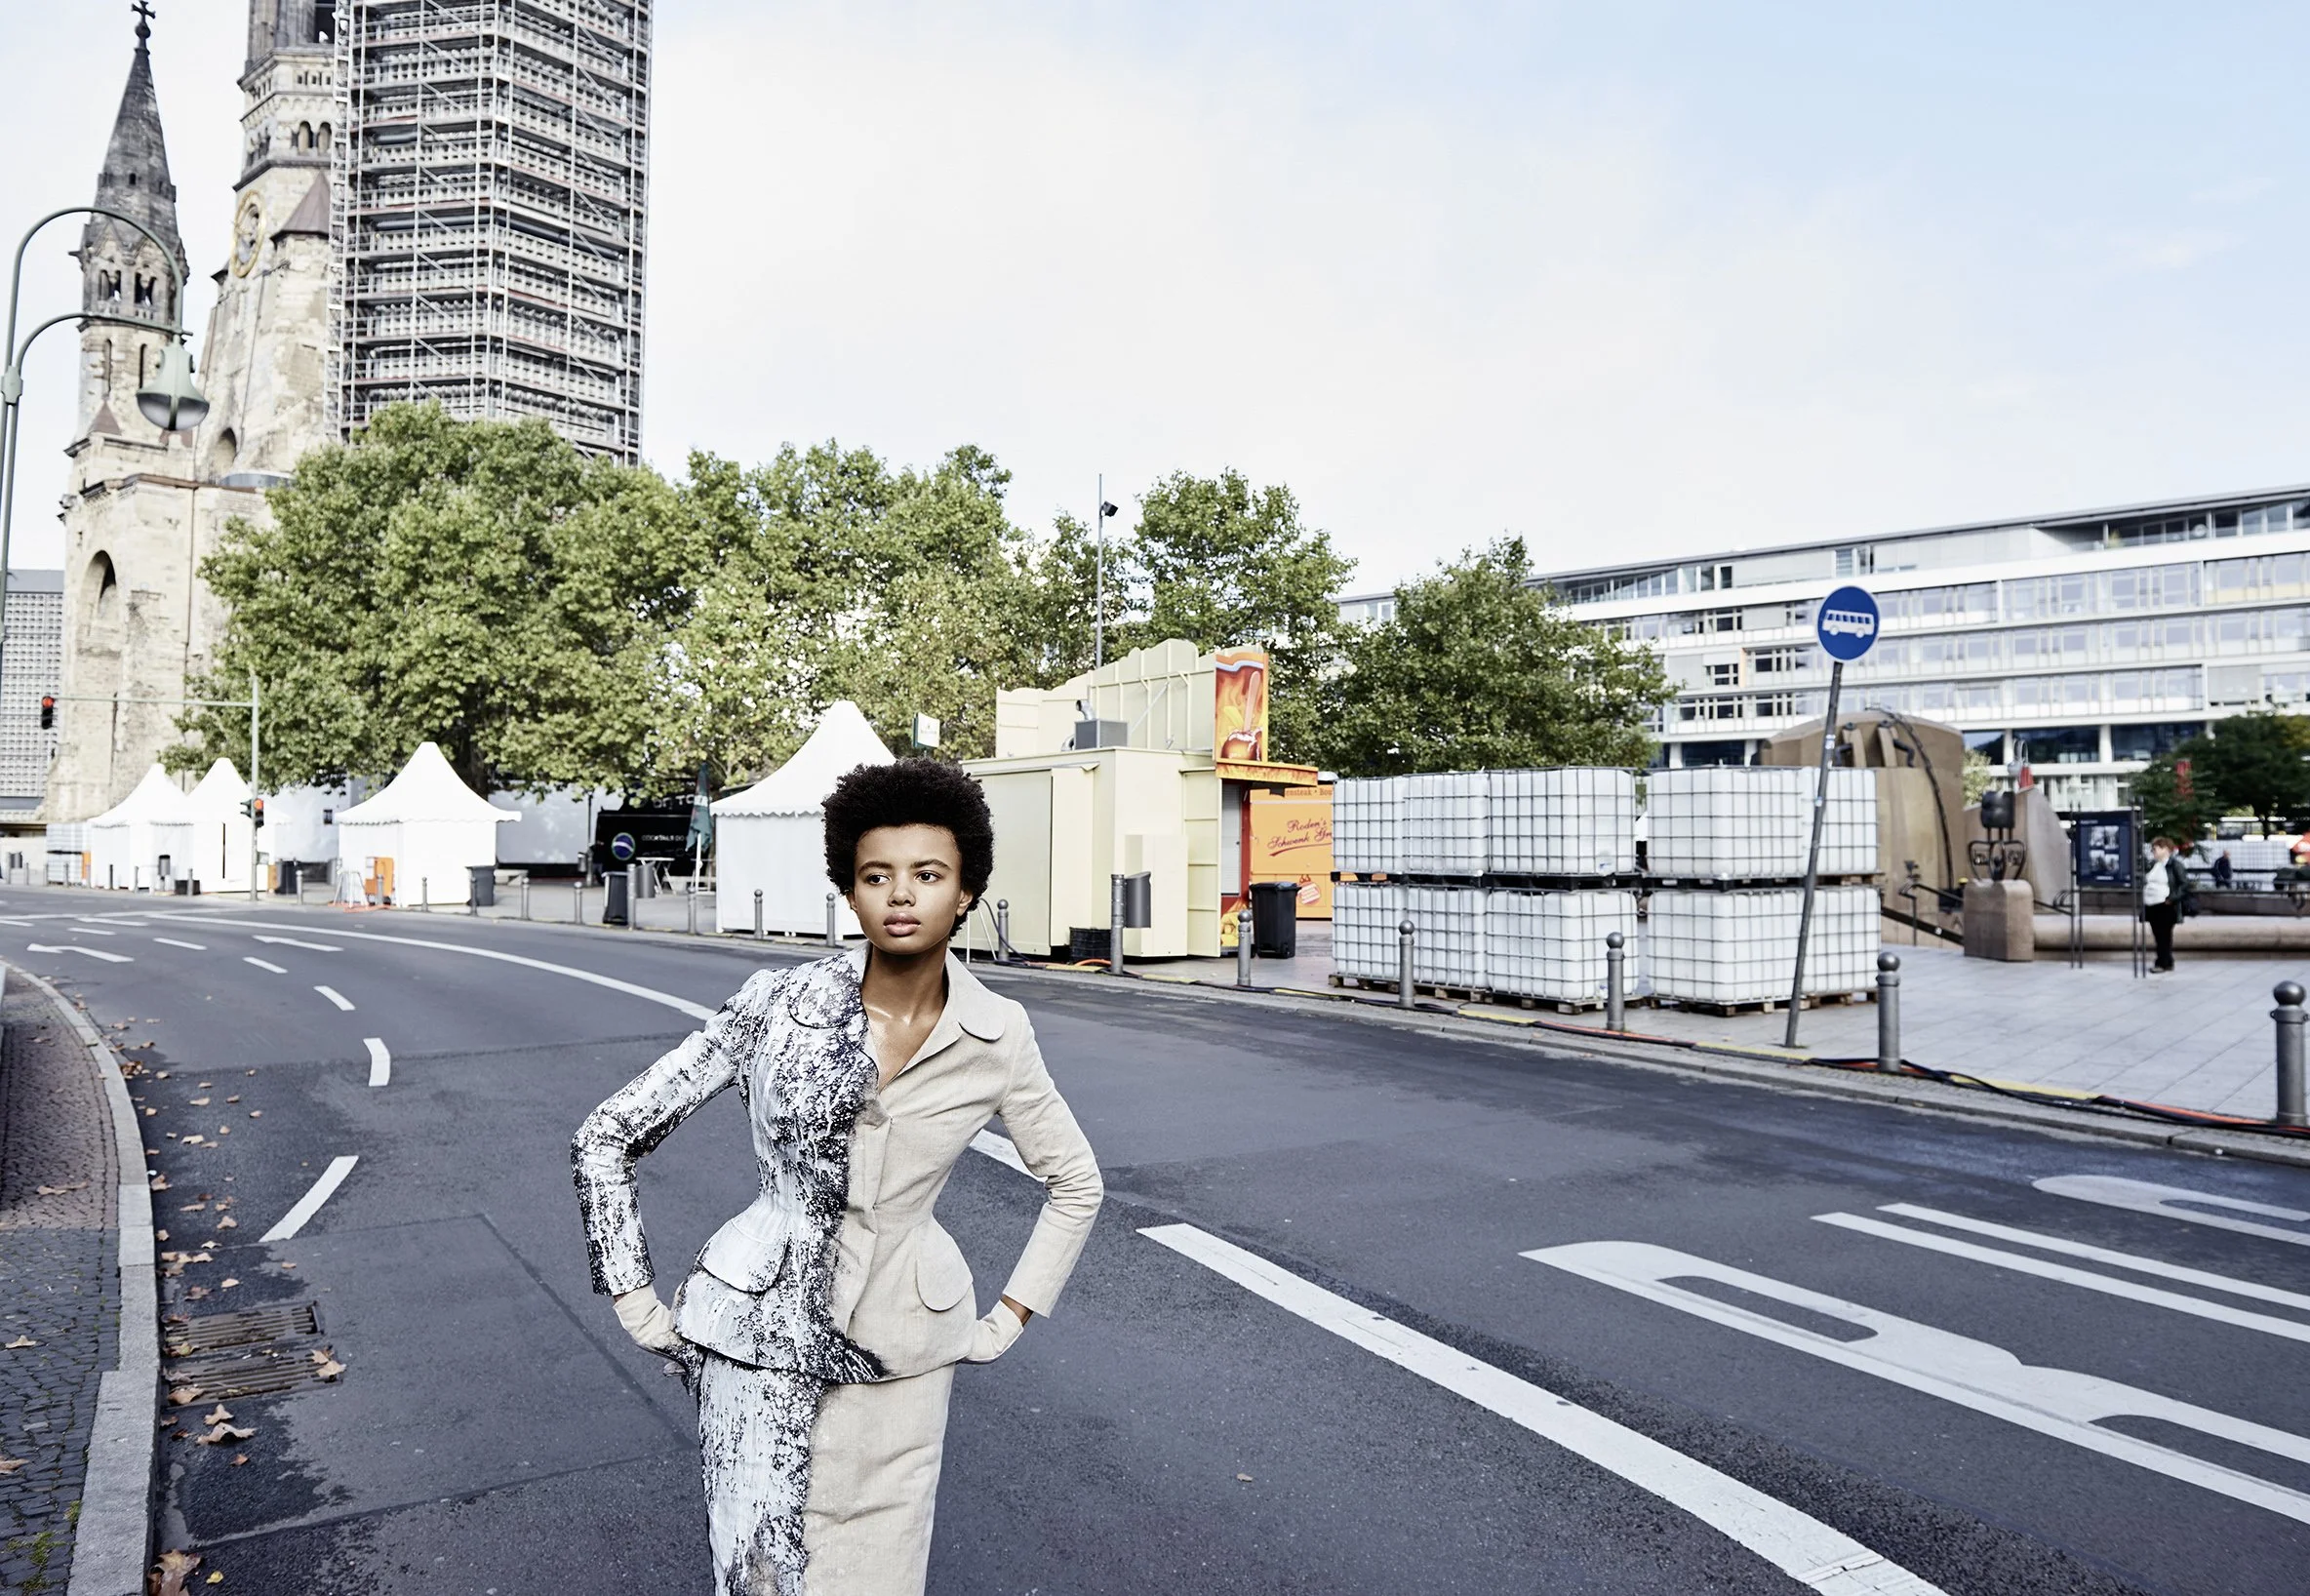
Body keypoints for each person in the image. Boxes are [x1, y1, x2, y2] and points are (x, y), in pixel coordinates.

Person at [573, 760, 1103, 1594]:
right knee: (764, 1578)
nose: (901, 895)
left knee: (886, 1574)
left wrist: (1007, 1318)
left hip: (910, 1351)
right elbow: (607, 1135)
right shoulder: (774, 1004)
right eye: (876, 876)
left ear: (965, 891)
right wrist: (636, 1300)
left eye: (928, 875)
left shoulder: (999, 1032)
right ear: (848, 894)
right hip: (758, 1345)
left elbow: (1076, 1183)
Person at [2141, 835, 2188, 973]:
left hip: (2166, 906)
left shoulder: (2174, 865)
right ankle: (2166, 961)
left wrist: (2171, 899)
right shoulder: (2154, 865)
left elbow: (2184, 885)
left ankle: (2163, 962)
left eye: (2155, 848)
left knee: (2164, 935)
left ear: (2166, 849)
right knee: (2158, 935)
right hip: (2152, 905)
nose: (2153, 851)